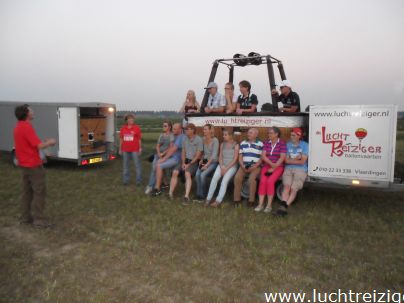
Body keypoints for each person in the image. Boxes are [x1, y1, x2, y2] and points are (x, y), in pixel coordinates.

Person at [13, 104, 56, 227]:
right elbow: (39, 146)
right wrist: (50, 142)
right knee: (39, 192)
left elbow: (32, 144)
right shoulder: (26, 127)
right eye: (31, 110)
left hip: (24, 165)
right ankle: (39, 220)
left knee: (27, 192)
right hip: (33, 165)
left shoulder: (18, 127)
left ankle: (25, 218)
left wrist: (43, 143)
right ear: (27, 113)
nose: (33, 111)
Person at [276, 128, 308, 216]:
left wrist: (292, 159)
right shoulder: (288, 145)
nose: (291, 137)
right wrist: (296, 158)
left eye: (293, 135)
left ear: (299, 136)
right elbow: (286, 161)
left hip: (301, 169)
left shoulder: (305, 145)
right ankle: (283, 207)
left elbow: (302, 162)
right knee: (286, 187)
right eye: (291, 135)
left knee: (294, 189)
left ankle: (284, 207)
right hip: (288, 168)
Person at [255, 126, 287, 213]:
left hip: (278, 167)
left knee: (270, 182)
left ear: (276, 134)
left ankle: (269, 205)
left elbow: (282, 157)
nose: (268, 134)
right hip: (267, 166)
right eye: (268, 133)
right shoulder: (266, 142)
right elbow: (263, 156)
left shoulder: (282, 143)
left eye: (271, 133)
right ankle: (260, 204)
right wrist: (271, 164)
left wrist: (274, 167)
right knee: (262, 182)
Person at [206, 128, 239, 207]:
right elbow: (220, 156)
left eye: (225, 135)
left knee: (224, 181)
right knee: (214, 178)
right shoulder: (222, 144)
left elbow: (235, 159)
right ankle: (208, 198)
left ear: (231, 136)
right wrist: (221, 166)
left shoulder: (236, 145)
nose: (223, 136)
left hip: (231, 166)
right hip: (222, 165)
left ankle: (218, 201)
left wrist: (226, 168)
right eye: (223, 135)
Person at [152, 123, 184, 198]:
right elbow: (169, 146)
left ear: (180, 129)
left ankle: (157, 188)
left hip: (176, 158)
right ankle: (164, 183)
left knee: (159, 165)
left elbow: (173, 149)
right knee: (156, 163)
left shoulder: (181, 137)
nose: (173, 130)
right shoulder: (173, 136)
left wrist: (163, 159)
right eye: (173, 129)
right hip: (170, 156)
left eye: (175, 129)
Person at [233, 128, 263, 207]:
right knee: (237, 178)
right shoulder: (243, 143)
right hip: (244, 165)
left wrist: (255, 166)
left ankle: (251, 200)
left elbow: (261, 158)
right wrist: (242, 165)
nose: (248, 134)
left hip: (255, 166)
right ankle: (237, 200)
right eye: (248, 133)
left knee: (251, 180)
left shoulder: (260, 144)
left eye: (251, 133)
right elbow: (240, 156)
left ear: (256, 135)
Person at [145, 121, 174, 194]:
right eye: (163, 126)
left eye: (165, 126)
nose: (164, 127)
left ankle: (152, 186)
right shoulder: (162, 135)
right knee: (154, 169)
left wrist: (163, 153)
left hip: (166, 155)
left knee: (156, 169)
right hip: (158, 154)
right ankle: (153, 185)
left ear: (169, 127)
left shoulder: (171, 135)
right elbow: (158, 145)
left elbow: (171, 147)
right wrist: (158, 153)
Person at [194, 124, 219, 201]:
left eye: (205, 129)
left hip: (213, 162)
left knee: (203, 175)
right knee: (197, 175)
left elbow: (214, 155)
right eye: (203, 129)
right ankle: (199, 194)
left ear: (210, 130)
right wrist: (201, 159)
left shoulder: (215, 140)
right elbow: (203, 153)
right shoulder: (203, 139)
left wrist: (207, 165)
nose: (203, 131)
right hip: (205, 160)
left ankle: (204, 195)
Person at [181, 123, 203, 204]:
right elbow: (183, 152)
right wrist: (183, 162)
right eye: (185, 129)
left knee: (187, 173)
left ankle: (186, 196)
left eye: (187, 129)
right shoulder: (184, 139)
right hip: (186, 161)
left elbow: (198, 156)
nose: (185, 130)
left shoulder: (198, 140)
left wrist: (188, 164)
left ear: (193, 130)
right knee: (180, 172)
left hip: (194, 161)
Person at [120, 113, 142, 185]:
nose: (131, 120)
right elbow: (121, 139)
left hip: (135, 150)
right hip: (125, 150)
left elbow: (139, 139)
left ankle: (138, 181)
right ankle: (126, 181)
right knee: (125, 166)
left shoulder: (137, 128)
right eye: (129, 118)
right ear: (126, 120)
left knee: (137, 165)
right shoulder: (123, 128)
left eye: (132, 118)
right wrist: (120, 149)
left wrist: (140, 148)